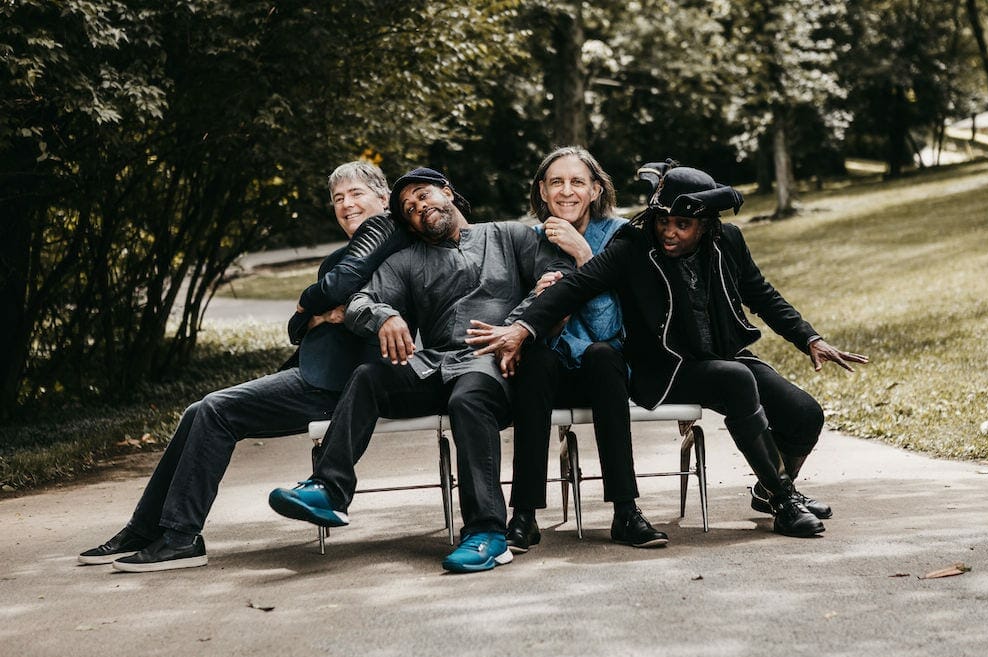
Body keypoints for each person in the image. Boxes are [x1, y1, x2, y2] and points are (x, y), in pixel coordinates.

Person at [470, 164, 869, 538]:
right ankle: (784, 502)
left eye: (682, 224)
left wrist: (809, 338)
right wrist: (522, 328)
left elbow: (762, 295)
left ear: (706, 225)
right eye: (663, 221)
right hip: (665, 368)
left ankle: (771, 490)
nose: (669, 232)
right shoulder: (634, 244)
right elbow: (577, 286)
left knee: (805, 414)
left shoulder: (728, 241)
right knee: (735, 379)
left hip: (722, 355)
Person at [78, 161, 408, 572]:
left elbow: (336, 292)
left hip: (340, 385)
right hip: (316, 374)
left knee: (215, 410)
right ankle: (144, 529)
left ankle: (180, 538)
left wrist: (311, 304)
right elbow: (296, 328)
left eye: (356, 193)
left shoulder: (385, 231)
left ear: (384, 198)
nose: (346, 204)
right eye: (338, 198)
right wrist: (318, 314)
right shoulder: (348, 253)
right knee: (198, 411)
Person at [267, 167, 573, 573]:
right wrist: (384, 316)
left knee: (468, 398)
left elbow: (558, 280)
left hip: (492, 362)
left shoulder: (508, 235)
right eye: (409, 209)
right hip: (435, 365)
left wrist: (517, 327)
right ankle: (329, 488)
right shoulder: (406, 261)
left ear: (447, 191)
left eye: (424, 195)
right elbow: (360, 302)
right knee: (369, 377)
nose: (418, 208)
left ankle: (487, 533)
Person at [491, 146, 667, 552]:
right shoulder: (529, 241)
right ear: (542, 191)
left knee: (603, 354)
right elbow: (526, 329)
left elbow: (607, 328)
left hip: (605, 378)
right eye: (556, 182)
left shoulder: (621, 235)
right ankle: (524, 516)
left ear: (595, 190)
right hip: (546, 377)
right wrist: (541, 304)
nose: (566, 191)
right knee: (537, 360)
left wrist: (584, 255)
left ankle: (626, 511)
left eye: (577, 182)